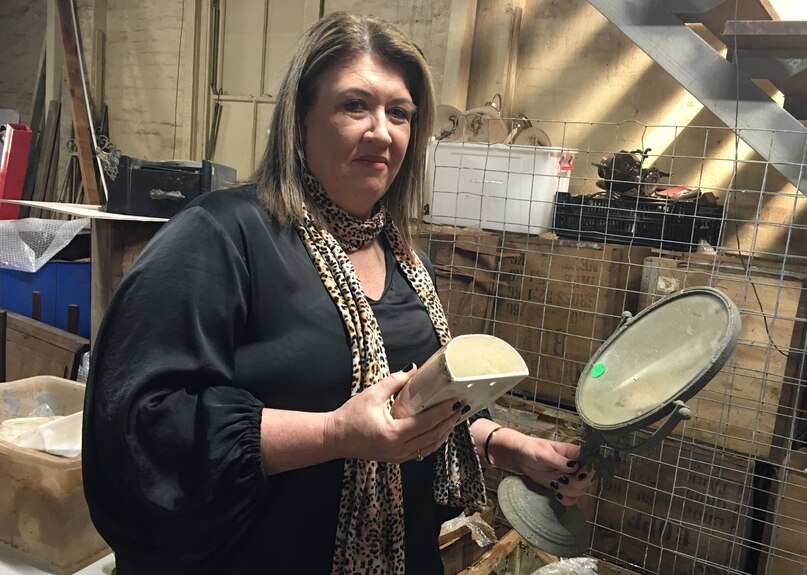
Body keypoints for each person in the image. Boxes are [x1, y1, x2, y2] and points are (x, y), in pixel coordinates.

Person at [82, 11, 594, 575]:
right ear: (301, 119)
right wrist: (333, 435)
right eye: (356, 105)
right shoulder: (222, 237)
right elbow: (145, 424)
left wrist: (505, 445)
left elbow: (409, 412)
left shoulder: (408, 263)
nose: (382, 130)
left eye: (399, 112)